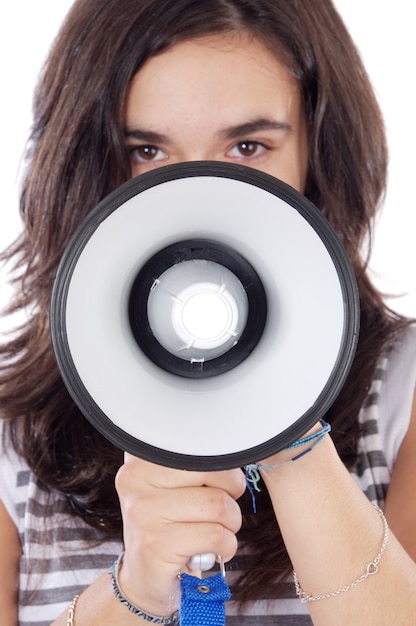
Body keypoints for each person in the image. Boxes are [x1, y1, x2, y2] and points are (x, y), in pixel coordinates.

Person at [1, 0, 415, 624]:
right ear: (84, 163)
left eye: (248, 146)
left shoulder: (403, 387)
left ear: (317, 153)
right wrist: (133, 593)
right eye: (146, 151)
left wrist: (289, 435)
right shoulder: (13, 433)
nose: (199, 193)